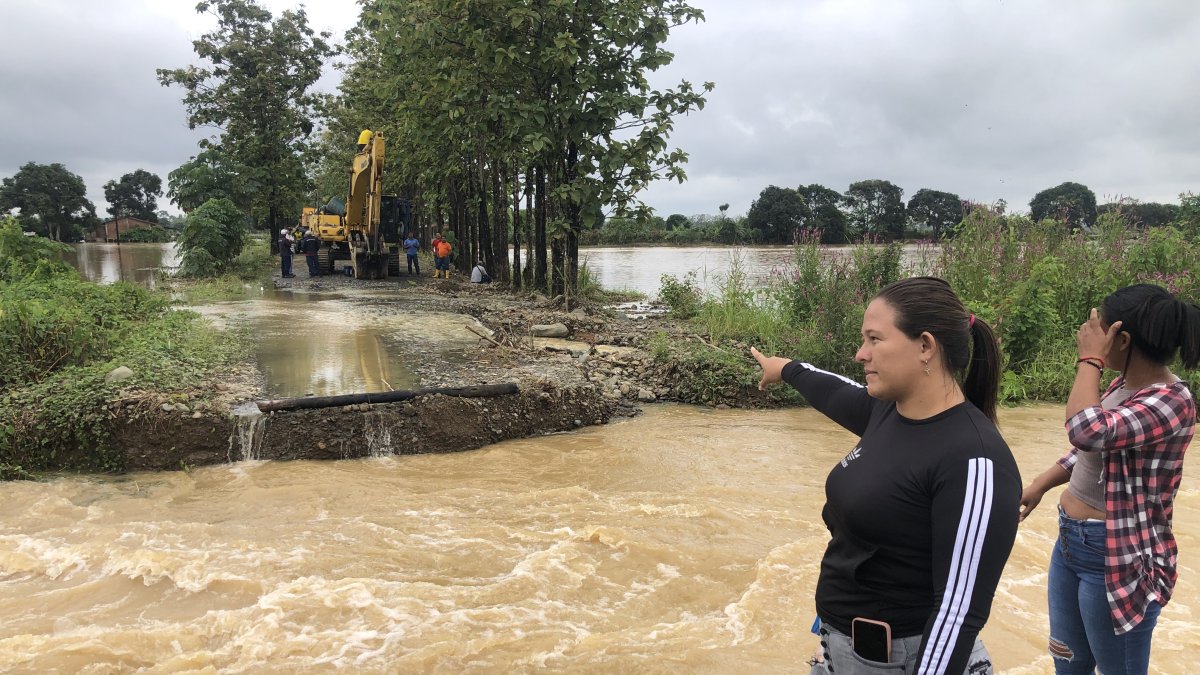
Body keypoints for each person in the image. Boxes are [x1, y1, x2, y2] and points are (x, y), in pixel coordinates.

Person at [751, 276, 1020, 675]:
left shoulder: (974, 459)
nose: (861, 354)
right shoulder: (888, 411)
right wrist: (786, 369)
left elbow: (957, 613)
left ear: (926, 346)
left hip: (904, 662)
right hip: (838, 649)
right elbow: (831, 389)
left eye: (874, 339)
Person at [1019, 284, 1199, 675]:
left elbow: (1087, 430)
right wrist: (1042, 483)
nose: (1092, 333)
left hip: (1116, 554)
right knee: (1068, 663)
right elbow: (1089, 451)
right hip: (1071, 543)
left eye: (1102, 330)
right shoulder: (1124, 386)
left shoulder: (1171, 401)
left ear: (1123, 339)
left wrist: (1090, 361)